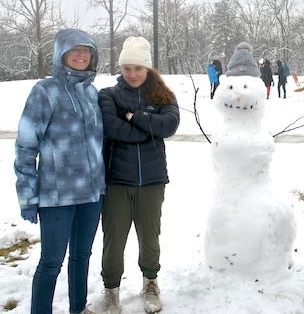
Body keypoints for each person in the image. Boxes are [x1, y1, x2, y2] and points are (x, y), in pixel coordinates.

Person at [14, 29, 105, 314]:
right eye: (74, 50)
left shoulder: (91, 93)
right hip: (57, 197)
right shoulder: (45, 91)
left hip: (91, 195)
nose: (81, 55)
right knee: (51, 262)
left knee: (82, 256)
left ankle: (78, 308)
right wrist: (28, 196)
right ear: (61, 54)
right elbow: (26, 146)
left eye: (86, 50)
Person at [99, 36, 180, 314]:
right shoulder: (108, 95)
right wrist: (148, 129)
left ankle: (150, 284)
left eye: (138, 68)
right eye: (127, 68)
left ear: (148, 69)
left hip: (152, 180)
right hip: (117, 181)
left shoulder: (163, 96)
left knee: (150, 238)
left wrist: (134, 118)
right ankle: (111, 291)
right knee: (113, 240)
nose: (132, 74)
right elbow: (111, 127)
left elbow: (169, 125)